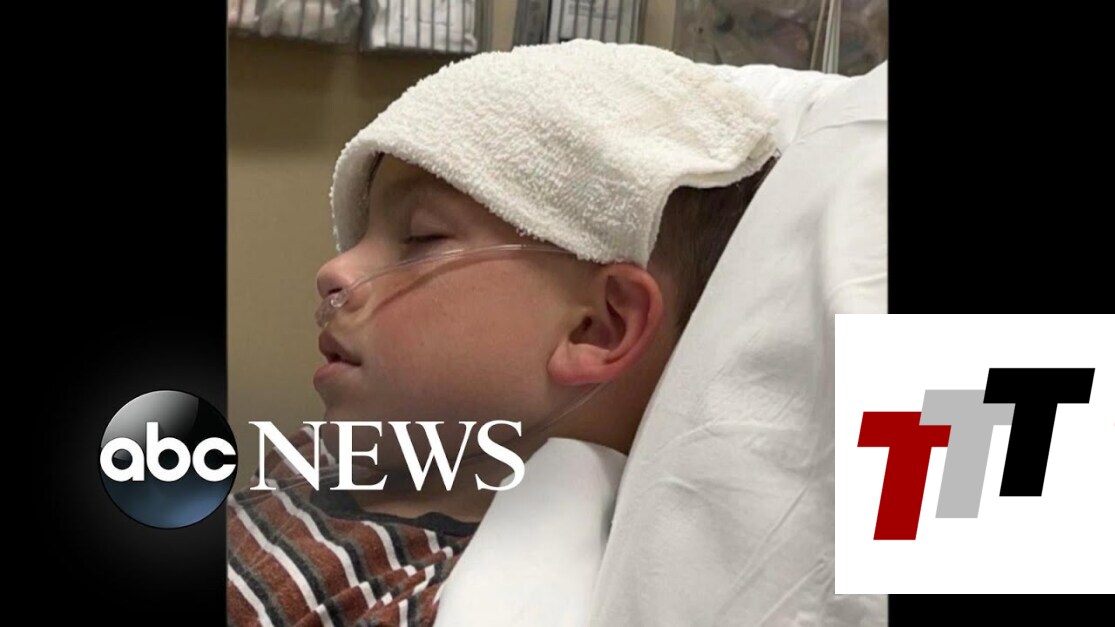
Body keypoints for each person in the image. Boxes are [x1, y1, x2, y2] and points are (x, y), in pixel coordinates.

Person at [227, 39, 779, 627]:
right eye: (362, 235)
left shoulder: (439, 600)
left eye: (420, 237)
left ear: (597, 327)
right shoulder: (318, 455)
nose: (334, 270)